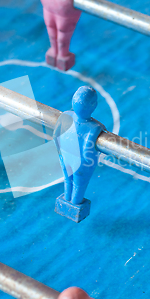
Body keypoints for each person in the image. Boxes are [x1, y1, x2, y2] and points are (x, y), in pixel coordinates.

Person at [53, 86, 105, 222]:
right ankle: (75, 204)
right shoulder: (95, 128)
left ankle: (66, 199)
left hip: (65, 157)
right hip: (81, 163)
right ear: (94, 106)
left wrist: (60, 154)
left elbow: (55, 136)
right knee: (79, 185)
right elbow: (88, 151)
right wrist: (86, 165)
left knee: (67, 179)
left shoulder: (65, 116)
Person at [40, 0, 84, 71]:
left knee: (62, 36)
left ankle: (63, 55)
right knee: (51, 32)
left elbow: (77, 11)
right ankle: (54, 51)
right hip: (49, 10)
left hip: (64, 16)